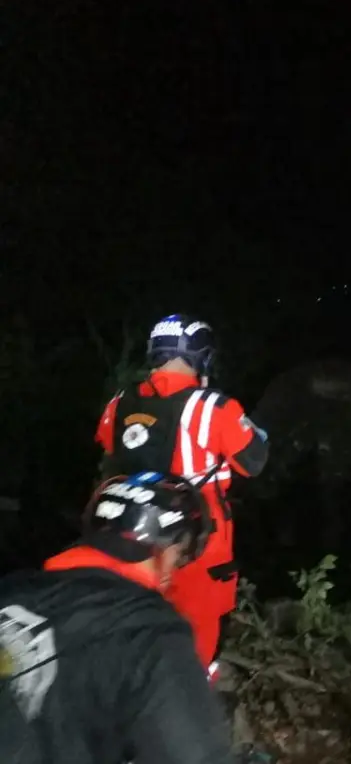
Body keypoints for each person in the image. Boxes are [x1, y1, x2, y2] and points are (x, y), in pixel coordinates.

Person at [0, 472, 235, 764]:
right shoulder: (149, 633)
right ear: (163, 550)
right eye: (178, 558)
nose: (171, 577)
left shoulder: (11, 592)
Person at [94, 314, 269, 681]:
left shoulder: (119, 402)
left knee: (130, 622)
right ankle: (192, 699)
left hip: (128, 536)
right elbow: (254, 460)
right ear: (201, 357)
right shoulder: (214, 408)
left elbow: (109, 451)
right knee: (197, 631)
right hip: (197, 543)